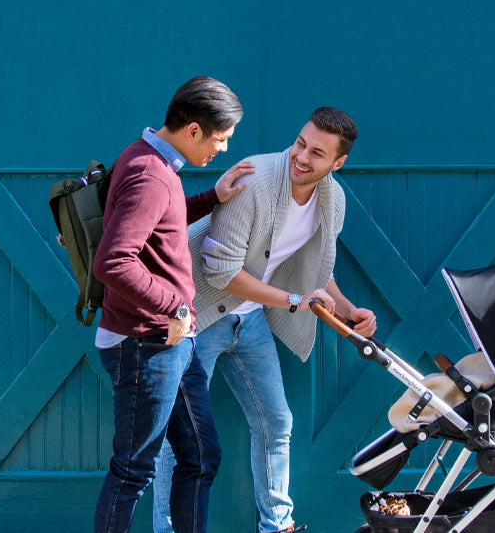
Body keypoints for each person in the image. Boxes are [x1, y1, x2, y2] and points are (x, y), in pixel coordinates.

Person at [153, 107, 377, 533]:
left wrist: (349, 311)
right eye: (300, 143)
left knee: (276, 422)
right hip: (197, 315)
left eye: (317, 153)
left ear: (338, 163)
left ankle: (277, 525)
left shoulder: (333, 200)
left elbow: (317, 270)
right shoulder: (256, 181)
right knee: (179, 435)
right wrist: (294, 300)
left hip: (249, 321)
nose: (302, 157)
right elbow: (219, 271)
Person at [93, 76, 255, 533]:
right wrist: (177, 308)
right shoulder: (150, 173)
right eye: (221, 139)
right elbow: (113, 261)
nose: (222, 150)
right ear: (194, 130)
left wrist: (212, 198)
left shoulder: (150, 161)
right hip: (145, 344)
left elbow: (160, 225)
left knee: (201, 457)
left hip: (171, 346)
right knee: (132, 471)